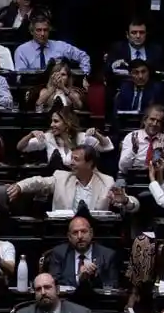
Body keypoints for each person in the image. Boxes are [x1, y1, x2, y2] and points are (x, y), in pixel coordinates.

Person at [9, 144, 139, 214]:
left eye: (76, 160)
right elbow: (39, 182)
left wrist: (126, 200)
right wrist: (20, 186)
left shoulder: (107, 182)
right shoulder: (61, 178)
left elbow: (135, 206)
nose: (71, 163)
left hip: (95, 233)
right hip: (64, 231)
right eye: (71, 158)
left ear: (90, 164)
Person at [16, 108, 111, 169]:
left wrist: (96, 134)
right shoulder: (48, 138)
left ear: (67, 123)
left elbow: (107, 147)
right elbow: (21, 147)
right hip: (56, 183)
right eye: (52, 121)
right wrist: (30, 135)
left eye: (56, 121)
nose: (51, 125)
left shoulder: (82, 137)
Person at [46, 216, 120, 288]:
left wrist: (94, 277)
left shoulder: (108, 255)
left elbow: (113, 285)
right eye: (75, 233)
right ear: (69, 237)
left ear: (91, 233)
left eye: (84, 231)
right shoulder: (59, 253)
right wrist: (79, 278)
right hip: (68, 299)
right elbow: (54, 284)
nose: (80, 236)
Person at [12, 15, 90, 73]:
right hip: (33, 88)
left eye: (45, 30)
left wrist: (84, 75)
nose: (42, 34)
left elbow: (83, 56)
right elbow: (20, 75)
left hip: (60, 87)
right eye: (38, 30)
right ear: (32, 32)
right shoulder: (22, 50)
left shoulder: (60, 46)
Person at [118, 104, 164, 172]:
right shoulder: (132, 137)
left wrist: (161, 154)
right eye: (152, 119)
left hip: (158, 177)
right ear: (145, 120)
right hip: (132, 176)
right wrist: (133, 151)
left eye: (159, 121)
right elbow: (122, 168)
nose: (154, 124)